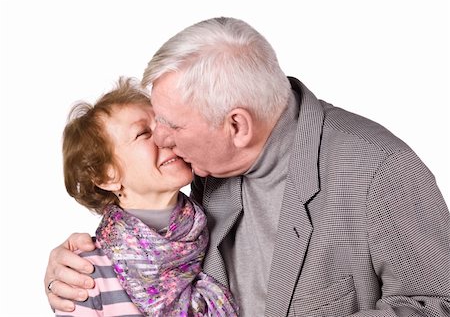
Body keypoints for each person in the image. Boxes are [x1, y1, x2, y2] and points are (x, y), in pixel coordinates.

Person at [46, 17, 450, 316]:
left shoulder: (380, 169)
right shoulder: (207, 169)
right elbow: (155, 251)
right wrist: (75, 274)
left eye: (172, 125)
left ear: (237, 125)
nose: (163, 139)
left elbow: (437, 302)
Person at [54, 77, 238, 316]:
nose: (165, 137)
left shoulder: (221, 231)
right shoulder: (84, 277)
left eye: (164, 125)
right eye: (143, 133)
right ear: (106, 177)